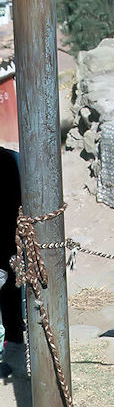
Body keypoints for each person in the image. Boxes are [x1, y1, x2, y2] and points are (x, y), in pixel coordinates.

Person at [0, 146, 26, 378]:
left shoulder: (11, 160)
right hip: (9, 237)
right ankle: (15, 332)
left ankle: (15, 332)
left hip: (8, 236)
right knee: (12, 282)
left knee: (11, 283)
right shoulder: (11, 159)